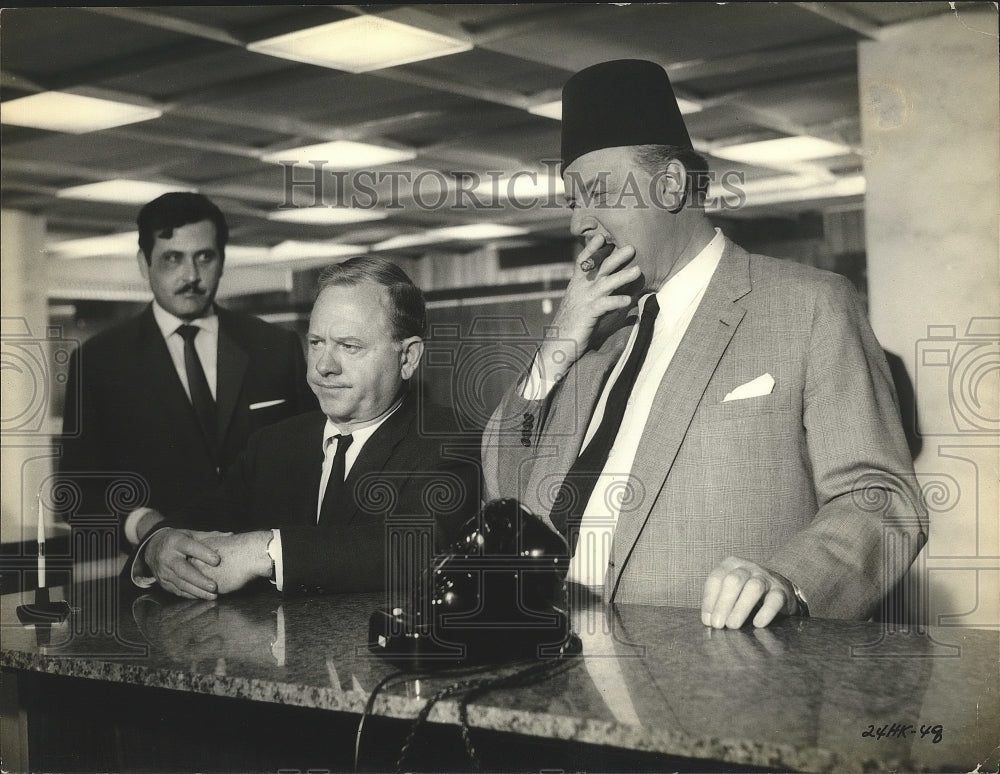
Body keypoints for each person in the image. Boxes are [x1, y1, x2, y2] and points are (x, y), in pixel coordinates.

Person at [482, 60, 927, 629]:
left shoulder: (809, 305)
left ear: (670, 186)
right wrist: (559, 344)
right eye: (573, 200)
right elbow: (501, 482)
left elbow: (883, 498)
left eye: (596, 193)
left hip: (716, 682)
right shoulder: (599, 344)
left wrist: (791, 580)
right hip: (556, 662)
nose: (578, 223)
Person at [131, 256, 482, 599]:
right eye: (316, 343)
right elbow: (203, 514)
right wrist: (157, 544)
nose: (324, 367)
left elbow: (421, 547)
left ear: (407, 358)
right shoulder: (274, 444)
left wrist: (265, 551)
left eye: (349, 346)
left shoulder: (449, 440)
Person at [59, 193, 317, 546]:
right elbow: (76, 493)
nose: (191, 275)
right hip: (161, 578)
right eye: (172, 259)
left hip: (269, 565)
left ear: (222, 260)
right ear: (143, 262)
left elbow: (314, 460)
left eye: (205, 257)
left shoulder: (274, 346)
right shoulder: (100, 361)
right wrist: (147, 526)